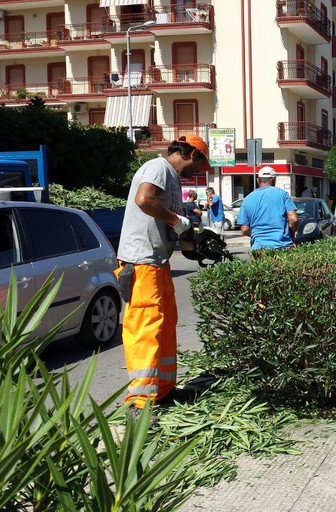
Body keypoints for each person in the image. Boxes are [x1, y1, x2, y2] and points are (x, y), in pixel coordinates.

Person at [116, 134, 211, 421]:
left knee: (165, 324)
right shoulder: (157, 168)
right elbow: (144, 200)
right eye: (200, 167)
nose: (197, 174)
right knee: (145, 329)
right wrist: (175, 220)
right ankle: (139, 403)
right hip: (141, 262)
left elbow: (168, 223)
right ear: (193, 155)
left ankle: (163, 391)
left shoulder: (171, 178)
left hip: (157, 263)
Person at [237, 166, 298, 251]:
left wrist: (258, 235)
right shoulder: (282, 194)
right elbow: (293, 219)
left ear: (258, 180)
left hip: (259, 248)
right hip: (282, 246)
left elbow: (244, 229)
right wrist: (291, 235)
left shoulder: (247, 199)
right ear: (274, 180)